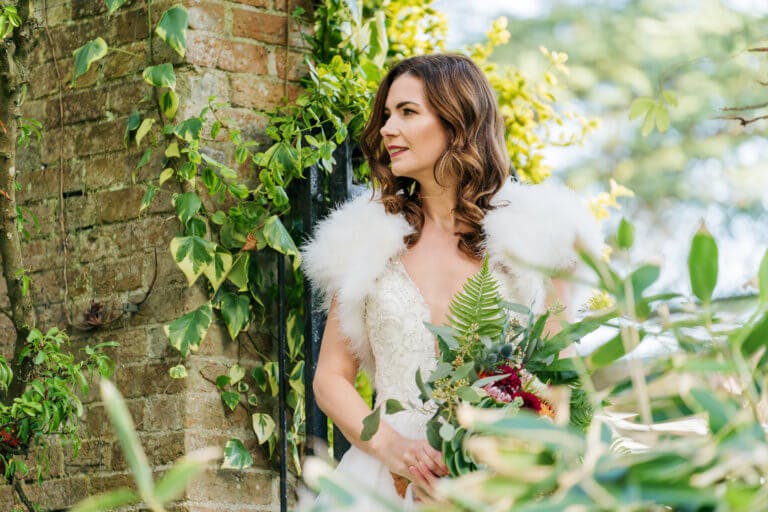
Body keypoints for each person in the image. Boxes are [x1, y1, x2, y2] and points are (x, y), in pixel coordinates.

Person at [302, 54, 602, 506]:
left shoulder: (538, 239)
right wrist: (395, 450)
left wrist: (513, 462)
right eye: (387, 115)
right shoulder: (361, 243)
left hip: (501, 484)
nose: (387, 129)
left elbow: (561, 378)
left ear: (457, 121)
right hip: (381, 484)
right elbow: (330, 378)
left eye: (407, 112)